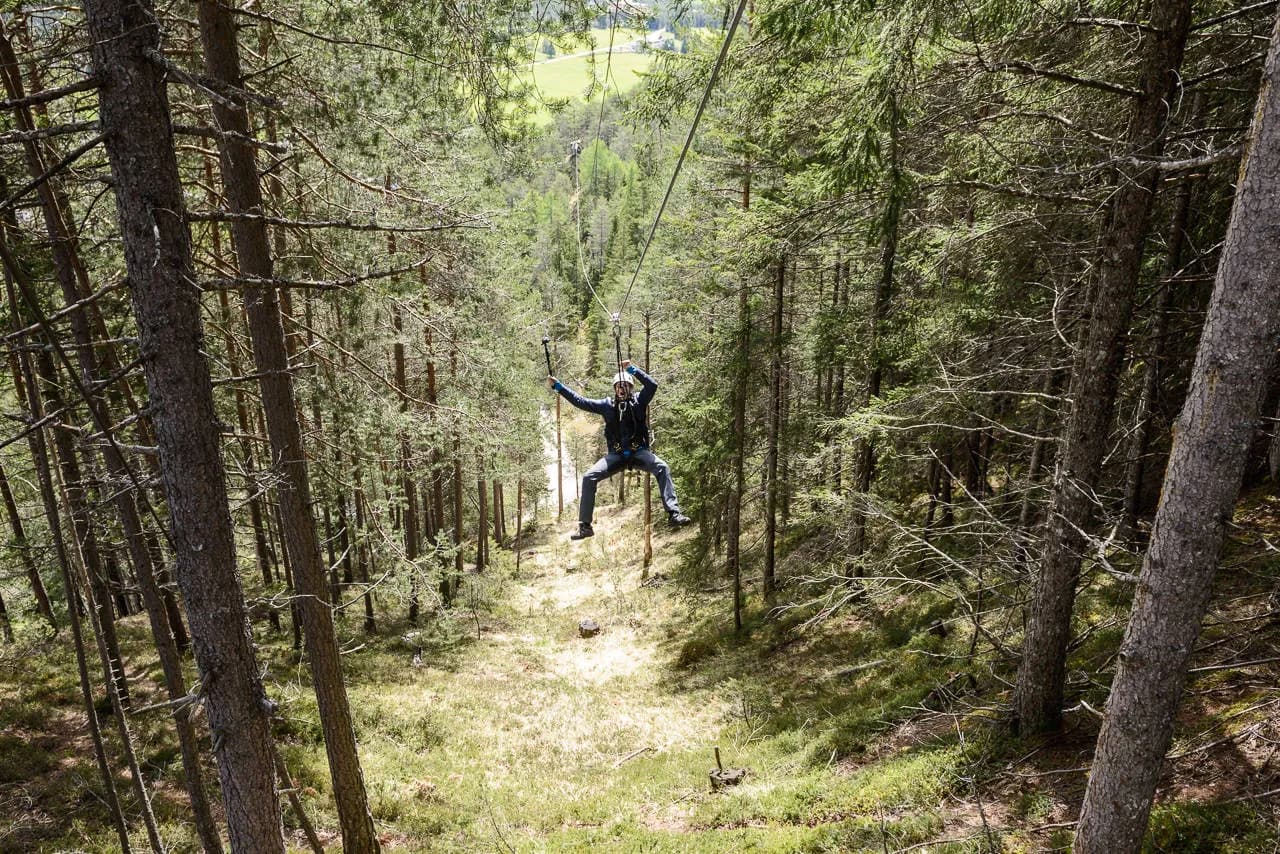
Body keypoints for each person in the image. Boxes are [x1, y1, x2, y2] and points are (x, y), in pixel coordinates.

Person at [548, 359, 691, 540]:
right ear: (614, 389)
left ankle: (673, 514)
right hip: (616, 456)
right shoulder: (607, 405)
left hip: (639, 453)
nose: (621, 390)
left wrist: (632, 369)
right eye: (618, 387)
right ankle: (585, 526)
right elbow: (580, 402)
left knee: (662, 467)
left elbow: (652, 385)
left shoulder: (639, 401)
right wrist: (559, 387)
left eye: (625, 386)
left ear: (631, 388)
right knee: (588, 477)